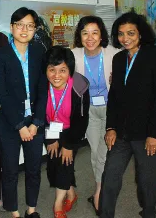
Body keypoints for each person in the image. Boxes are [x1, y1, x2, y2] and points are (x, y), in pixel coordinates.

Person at [99, 11, 156, 218]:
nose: (125, 38)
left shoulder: (155, 56)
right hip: (122, 132)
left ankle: (149, 213)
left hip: (148, 133)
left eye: (131, 33)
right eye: (121, 34)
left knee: (147, 181)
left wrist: (155, 134)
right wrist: (111, 127)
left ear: (140, 33)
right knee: (110, 176)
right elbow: (114, 96)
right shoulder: (119, 58)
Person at [0, 7, 48, 218]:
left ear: (35, 28)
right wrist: (19, 125)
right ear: (12, 27)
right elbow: (1, 93)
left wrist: (36, 122)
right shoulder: (0, 54)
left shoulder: (40, 52)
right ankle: (14, 212)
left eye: (30, 25)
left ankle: (31, 209)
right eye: (20, 25)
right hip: (9, 123)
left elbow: (44, 88)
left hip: (34, 121)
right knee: (11, 171)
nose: (24, 29)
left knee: (34, 168)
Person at [71, 16, 120, 213]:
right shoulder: (73, 55)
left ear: (101, 35)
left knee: (105, 153)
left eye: (94, 32)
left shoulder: (114, 54)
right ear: (79, 36)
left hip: (110, 110)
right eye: (85, 33)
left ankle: (99, 191)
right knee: (95, 152)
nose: (90, 37)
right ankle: (100, 190)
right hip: (89, 111)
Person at [44, 46, 90, 218]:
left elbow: (81, 120)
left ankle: (57, 205)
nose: (57, 75)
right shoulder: (42, 84)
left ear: (69, 69)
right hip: (51, 130)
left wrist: (69, 145)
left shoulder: (79, 85)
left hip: (72, 131)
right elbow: (42, 115)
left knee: (64, 164)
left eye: (62, 70)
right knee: (53, 166)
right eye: (52, 70)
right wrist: (52, 139)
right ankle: (71, 194)